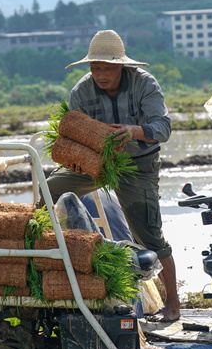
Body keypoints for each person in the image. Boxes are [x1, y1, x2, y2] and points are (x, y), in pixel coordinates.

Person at [47, 29, 180, 321]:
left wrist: (133, 131)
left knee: (149, 236)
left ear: (122, 66)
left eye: (108, 68)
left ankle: (172, 303)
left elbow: (163, 128)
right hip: (96, 163)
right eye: (96, 68)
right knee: (47, 191)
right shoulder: (81, 91)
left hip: (137, 164)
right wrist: (75, 161)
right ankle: (46, 259)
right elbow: (72, 137)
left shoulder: (145, 84)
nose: (101, 74)